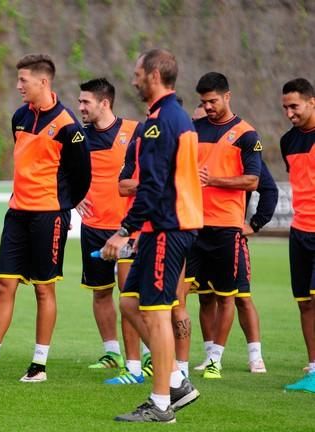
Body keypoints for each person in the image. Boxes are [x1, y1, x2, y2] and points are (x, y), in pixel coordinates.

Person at [0, 54, 90, 383]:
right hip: (17, 213)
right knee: (2, 284)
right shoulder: (19, 116)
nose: (18, 85)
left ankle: (39, 366)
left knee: (43, 290)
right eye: (18, 79)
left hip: (49, 217)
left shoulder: (69, 126)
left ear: (43, 82)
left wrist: (62, 206)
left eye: (24, 80)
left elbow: (82, 176)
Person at [103, 49, 202, 423]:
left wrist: (125, 230)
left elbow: (153, 185)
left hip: (168, 228)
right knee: (130, 304)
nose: (133, 79)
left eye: (137, 73)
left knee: (158, 313)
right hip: (164, 227)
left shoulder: (162, 122)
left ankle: (161, 404)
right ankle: (176, 381)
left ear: (154, 74)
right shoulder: (173, 117)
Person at [188, 72, 262, 379]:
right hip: (194, 223)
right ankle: (207, 355)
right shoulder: (194, 129)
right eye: (203, 102)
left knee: (228, 294)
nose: (208, 107)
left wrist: (213, 180)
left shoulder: (246, 134)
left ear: (227, 96)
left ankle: (218, 358)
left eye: (213, 101)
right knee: (202, 295)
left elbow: (253, 180)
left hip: (227, 226)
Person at [74, 78, 147, 380]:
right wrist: (73, 198)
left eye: (85, 102)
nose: (80, 108)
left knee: (130, 294)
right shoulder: (79, 137)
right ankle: (112, 352)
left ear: (104, 103)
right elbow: (58, 169)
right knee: (101, 292)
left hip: (128, 227)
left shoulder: (135, 131)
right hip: (93, 226)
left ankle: (147, 355)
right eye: (79, 102)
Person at [193, 162, 278, 374]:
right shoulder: (196, 140)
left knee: (241, 297)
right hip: (198, 234)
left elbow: (268, 189)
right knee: (205, 298)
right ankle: (211, 356)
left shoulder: (242, 148)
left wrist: (255, 223)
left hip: (229, 234)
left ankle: (255, 356)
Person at [280, 78, 315, 392]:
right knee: (304, 302)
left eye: (295, 106)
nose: (290, 113)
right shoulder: (287, 141)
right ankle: (314, 370)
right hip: (300, 230)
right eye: (285, 108)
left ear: (312, 102)